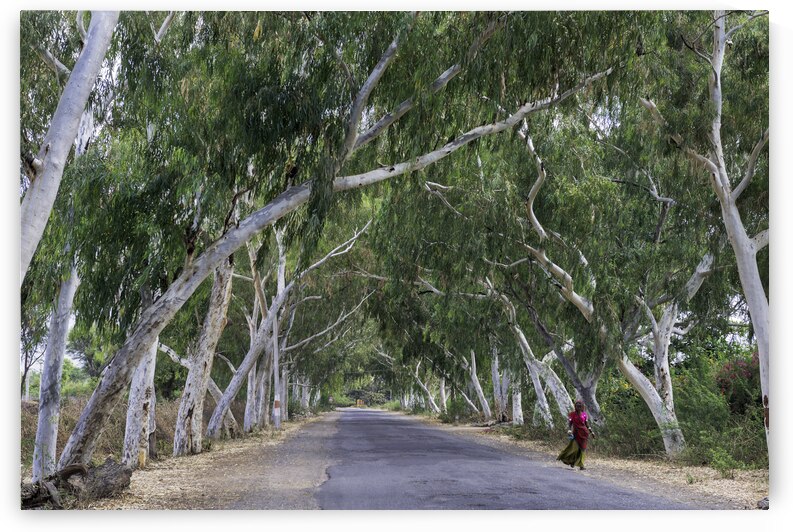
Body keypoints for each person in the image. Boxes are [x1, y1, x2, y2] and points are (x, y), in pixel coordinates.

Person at [557, 400, 594, 470]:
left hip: (584, 434)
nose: (578, 406)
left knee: (583, 449)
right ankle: (572, 461)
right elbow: (570, 423)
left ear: (582, 406)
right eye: (577, 405)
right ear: (575, 406)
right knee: (574, 449)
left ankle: (581, 465)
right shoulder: (572, 414)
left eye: (580, 405)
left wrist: (592, 432)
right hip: (576, 433)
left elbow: (587, 424)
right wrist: (569, 430)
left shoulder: (584, 414)